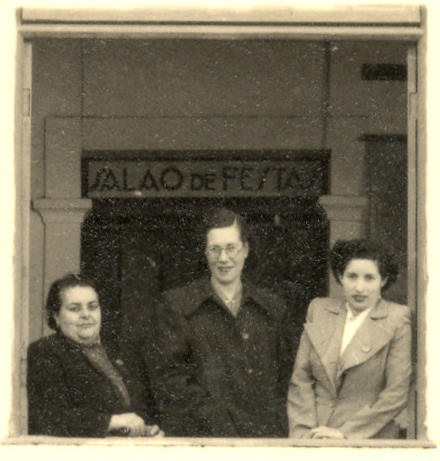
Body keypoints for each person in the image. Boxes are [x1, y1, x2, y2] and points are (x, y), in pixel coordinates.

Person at [146, 208, 295, 437]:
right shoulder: (177, 306)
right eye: (215, 249)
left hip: (264, 437)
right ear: (205, 253)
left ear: (245, 250)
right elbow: (171, 380)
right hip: (205, 438)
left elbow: (287, 377)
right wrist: (217, 422)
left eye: (231, 248)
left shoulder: (272, 308)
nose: (223, 258)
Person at [287, 239, 412, 440]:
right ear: (340, 277)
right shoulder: (319, 310)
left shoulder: (396, 318)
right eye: (352, 276)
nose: (359, 287)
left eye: (369, 278)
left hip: (368, 440)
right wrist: (303, 434)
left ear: (383, 280)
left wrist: (343, 433)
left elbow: (396, 394)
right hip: (314, 438)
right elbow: (301, 379)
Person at [27, 273, 162, 437]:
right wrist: (112, 421)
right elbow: (49, 418)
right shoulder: (45, 352)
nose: (86, 314)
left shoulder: (119, 350)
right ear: (56, 316)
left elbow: (143, 406)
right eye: (74, 309)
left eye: (92, 307)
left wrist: (150, 429)